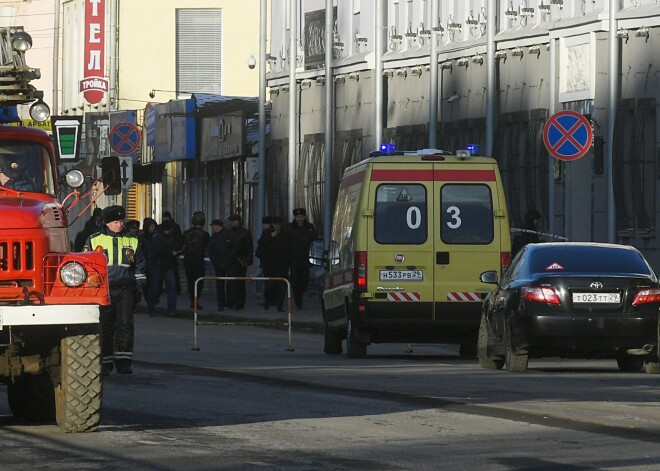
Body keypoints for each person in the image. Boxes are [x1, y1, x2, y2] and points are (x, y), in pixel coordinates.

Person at [85, 205, 146, 375]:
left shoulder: (132, 240)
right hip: (104, 290)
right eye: (116, 222)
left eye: (121, 221)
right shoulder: (94, 239)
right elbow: (88, 266)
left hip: (126, 289)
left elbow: (139, 265)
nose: (120, 225)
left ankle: (124, 362)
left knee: (125, 325)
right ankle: (105, 362)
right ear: (107, 223)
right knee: (105, 327)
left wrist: (139, 287)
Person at [286, 208, 318, 309]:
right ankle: (298, 302)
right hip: (294, 259)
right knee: (295, 282)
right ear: (295, 217)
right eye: (297, 217)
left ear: (304, 217)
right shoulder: (290, 228)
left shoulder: (310, 228)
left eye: (301, 217)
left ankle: (301, 293)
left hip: (305, 259)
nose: (299, 219)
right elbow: (286, 243)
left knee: (304, 281)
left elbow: (314, 242)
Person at [146, 220, 179, 317]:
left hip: (166, 265)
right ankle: (152, 309)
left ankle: (171, 310)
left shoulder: (165, 236)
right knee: (155, 288)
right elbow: (157, 250)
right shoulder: (158, 237)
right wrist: (170, 253)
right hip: (158, 265)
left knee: (171, 287)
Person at [258, 216, 290, 311]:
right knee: (269, 284)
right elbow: (261, 243)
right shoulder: (267, 232)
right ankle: (267, 303)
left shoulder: (285, 233)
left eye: (279, 224)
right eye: (275, 224)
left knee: (281, 285)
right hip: (269, 263)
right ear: (272, 224)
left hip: (282, 263)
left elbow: (289, 246)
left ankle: (279, 305)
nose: (277, 226)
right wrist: (271, 236)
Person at [181, 211, 210, 309]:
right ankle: (195, 300)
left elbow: (182, 245)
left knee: (190, 281)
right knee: (199, 281)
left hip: (188, 259)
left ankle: (192, 300)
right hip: (198, 259)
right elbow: (208, 247)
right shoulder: (205, 234)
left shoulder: (186, 233)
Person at [226, 214, 253, 310]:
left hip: (241, 261)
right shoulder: (228, 232)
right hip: (230, 261)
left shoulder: (244, 233)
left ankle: (239, 303)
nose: (233, 223)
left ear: (239, 221)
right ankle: (230, 302)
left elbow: (249, 247)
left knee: (240, 283)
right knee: (230, 282)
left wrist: (248, 260)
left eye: (235, 221)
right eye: (232, 221)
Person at [206, 219, 231, 312]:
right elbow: (209, 249)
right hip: (218, 264)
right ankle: (221, 303)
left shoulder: (228, 235)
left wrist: (229, 259)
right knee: (220, 285)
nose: (212, 228)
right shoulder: (214, 236)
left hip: (228, 263)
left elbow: (232, 248)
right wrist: (214, 259)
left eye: (213, 226)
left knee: (230, 283)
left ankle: (229, 302)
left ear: (218, 226)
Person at [162, 211, 183, 294]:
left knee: (171, 272)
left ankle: (174, 288)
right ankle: (176, 289)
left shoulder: (163, 227)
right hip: (171, 253)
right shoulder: (175, 227)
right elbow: (179, 240)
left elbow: (179, 240)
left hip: (168, 254)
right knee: (173, 273)